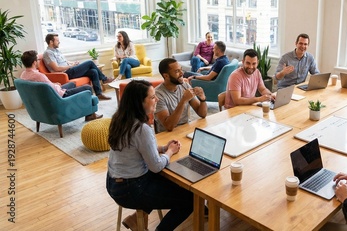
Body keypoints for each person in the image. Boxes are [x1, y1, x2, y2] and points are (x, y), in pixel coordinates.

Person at [106, 80, 193, 231]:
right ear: (139, 102)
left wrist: (162, 148)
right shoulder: (141, 129)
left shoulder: (120, 119)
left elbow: (134, 150)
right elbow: (156, 167)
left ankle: (135, 219)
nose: (157, 99)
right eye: (152, 97)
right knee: (189, 200)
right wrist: (170, 151)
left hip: (113, 182)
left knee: (172, 182)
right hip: (131, 189)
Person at [20, 50, 103, 121]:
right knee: (88, 88)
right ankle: (90, 115)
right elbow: (52, 89)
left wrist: (54, 84)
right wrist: (56, 86)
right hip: (59, 95)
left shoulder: (23, 75)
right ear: (34, 62)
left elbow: (46, 86)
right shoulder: (39, 76)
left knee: (72, 83)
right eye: (38, 60)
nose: (39, 61)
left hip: (50, 93)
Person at [42, 33, 113, 100]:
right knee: (90, 63)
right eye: (57, 40)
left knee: (93, 71)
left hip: (69, 69)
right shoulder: (48, 53)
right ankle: (104, 79)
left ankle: (99, 94)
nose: (59, 42)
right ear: (51, 42)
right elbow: (56, 68)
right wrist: (70, 66)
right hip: (66, 73)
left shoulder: (56, 51)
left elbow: (64, 62)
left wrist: (73, 63)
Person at [155, 58, 207, 132]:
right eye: (177, 71)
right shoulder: (158, 95)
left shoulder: (185, 86)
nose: (182, 73)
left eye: (181, 69)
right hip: (167, 135)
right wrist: (183, 100)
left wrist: (202, 99)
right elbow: (169, 126)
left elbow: (202, 114)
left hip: (185, 129)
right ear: (166, 76)